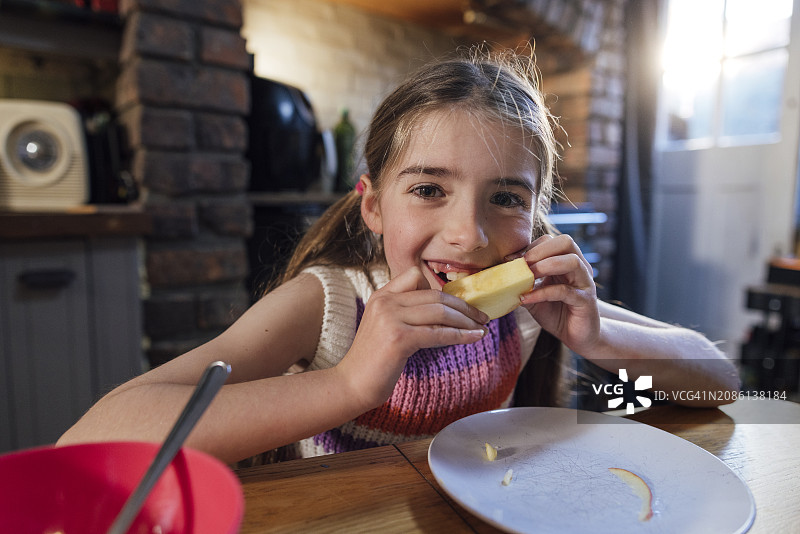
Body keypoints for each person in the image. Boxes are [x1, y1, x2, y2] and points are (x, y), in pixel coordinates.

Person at [58, 47, 740, 465]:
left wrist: (600, 335)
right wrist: (348, 386)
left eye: (505, 197)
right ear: (374, 205)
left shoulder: (531, 304)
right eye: (428, 189)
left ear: (534, 215)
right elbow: (93, 440)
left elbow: (719, 383)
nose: (469, 234)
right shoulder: (327, 305)